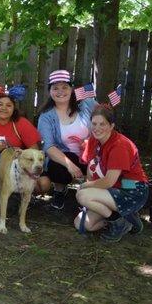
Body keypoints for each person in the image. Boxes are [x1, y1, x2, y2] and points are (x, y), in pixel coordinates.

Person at [73, 105, 149, 242]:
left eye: (102, 124)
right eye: (94, 123)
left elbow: (108, 181)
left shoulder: (119, 144)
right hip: (112, 188)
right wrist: (90, 186)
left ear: (111, 125)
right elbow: (91, 168)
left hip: (134, 187)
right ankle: (127, 218)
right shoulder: (93, 140)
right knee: (81, 224)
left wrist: (86, 186)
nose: (97, 128)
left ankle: (118, 222)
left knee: (82, 194)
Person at [0, 84, 50, 201]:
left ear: (14, 108)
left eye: (8, 105)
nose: (4, 108)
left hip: (17, 165)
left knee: (44, 183)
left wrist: (19, 154)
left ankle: (22, 195)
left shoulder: (22, 123)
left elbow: (34, 151)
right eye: (0, 104)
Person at [38, 70, 97, 211]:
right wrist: (70, 165)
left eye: (64, 87)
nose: (60, 92)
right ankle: (60, 190)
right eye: (55, 88)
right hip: (64, 156)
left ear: (71, 89)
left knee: (101, 164)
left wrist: (91, 143)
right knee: (57, 168)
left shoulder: (88, 105)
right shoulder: (46, 116)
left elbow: (105, 125)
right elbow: (49, 147)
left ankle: (93, 194)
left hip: (91, 152)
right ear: (50, 91)